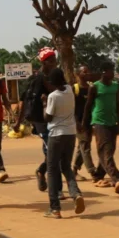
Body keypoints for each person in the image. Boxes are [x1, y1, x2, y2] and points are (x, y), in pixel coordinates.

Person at [43, 68, 84, 218]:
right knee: (66, 166)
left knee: (52, 169)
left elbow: (48, 117)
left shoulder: (53, 96)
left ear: (52, 83)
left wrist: (43, 104)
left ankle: (55, 207)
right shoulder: (69, 90)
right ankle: (75, 193)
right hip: (70, 133)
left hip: (56, 134)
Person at [15, 47, 57, 191]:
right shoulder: (35, 79)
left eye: (55, 60)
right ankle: (55, 188)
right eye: (51, 61)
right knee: (52, 152)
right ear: (44, 63)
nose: (55, 63)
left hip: (55, 120)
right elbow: (24, 101)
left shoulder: (56, 77)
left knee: (53, 151)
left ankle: (41, 171)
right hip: (40, 120)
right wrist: (18, 122)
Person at [85, 62, 119, 192]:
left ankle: (98, 175)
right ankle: (117, 178)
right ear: (103, 72)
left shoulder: (115, 86)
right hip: (99, 122)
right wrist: (84, 123)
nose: (112, 73)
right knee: (105, 152)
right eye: (110, 71)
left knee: (110, 150)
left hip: (112, 122)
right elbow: (88, 106)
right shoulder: (95, 87)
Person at [72, 66, 104, 181]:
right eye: (84, 72)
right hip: (79, 123)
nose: (88, 73)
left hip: (89, 121)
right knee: (85, 146)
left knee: (82, 146)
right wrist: (76, 123)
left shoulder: (91, 87)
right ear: (78, 74)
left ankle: (74, 170)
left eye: (88, 71)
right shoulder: (75, 88)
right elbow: (72, 108)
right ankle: (92, 171)